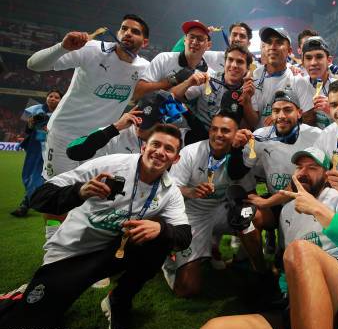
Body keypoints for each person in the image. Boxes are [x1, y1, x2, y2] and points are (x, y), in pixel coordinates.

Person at [0, 124, 191, 329]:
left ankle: (118, 300)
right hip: (72, 253)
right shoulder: (110, 165)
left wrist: (160, 228)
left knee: (161, 237)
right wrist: (79, 192)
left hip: (113, 252)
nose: (160, 152)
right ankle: (22, 295)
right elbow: (39, 197)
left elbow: (184, 235)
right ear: (144, 147)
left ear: (176, 158)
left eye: (168, 149)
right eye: (156, 144)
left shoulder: (170, 191)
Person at [195, 148, 338, 329]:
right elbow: (288, 270)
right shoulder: (287, 211)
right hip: (299, 304)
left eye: (312, 167)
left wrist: (317, 208)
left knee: (300, 251)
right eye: (299, 167)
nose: (303, 172)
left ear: (326, 174)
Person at [25, 14, 150, 179]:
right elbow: (33, 64)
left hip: (100, 139)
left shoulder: (145, 69)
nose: (127, 33)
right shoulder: (92, 49)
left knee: (90, 194)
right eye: (123, 28)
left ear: (145, 42)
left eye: (135, 31)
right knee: (57, 189)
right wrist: (63, 47)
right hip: (64, 134)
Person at [162, 113, 261, 297]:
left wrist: (257, 212)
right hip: (193, 214)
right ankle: (170, 263)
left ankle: (258, 270)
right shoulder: (190, 152)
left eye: (225, 130)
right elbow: (169, 189)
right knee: (188, 289)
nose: (218, 134)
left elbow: (247, 192)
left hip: (221, 209)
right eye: (214, 129)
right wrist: (190, 192)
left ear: (236, 134)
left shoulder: (240, 154)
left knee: (255, 216)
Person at [232, 88, 322, 257]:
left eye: (287, 110)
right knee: (250, 217)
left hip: (306, 201)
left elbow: (303, 182)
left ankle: (281, 245)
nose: (281, 116)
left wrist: (268, 202)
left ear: (300, 113)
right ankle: (259, 269)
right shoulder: (260, 136)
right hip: (277, 203)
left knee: (294, 254)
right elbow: (238, 172)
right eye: (276, 111)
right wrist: (236, 148)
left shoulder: (316, 136)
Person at [171, 43, 256, 135]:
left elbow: (253, 124)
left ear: (247, 67)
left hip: (226, 139)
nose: (234, 65)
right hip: (198, 133)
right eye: (230, 60)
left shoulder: (250, 89)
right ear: (225, 62)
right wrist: (188, 83)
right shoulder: (207, 78)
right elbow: (174, 95)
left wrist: (247, 101)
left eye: (240, 62)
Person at [245, 27, 315, 129]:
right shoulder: (254, 77)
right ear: (264, 48)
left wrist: (284, 120)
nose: (273, 47)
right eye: (269, 42)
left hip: (290, 142)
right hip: (261, 142)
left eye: (279, 42)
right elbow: (253, 122)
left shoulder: (298, 79)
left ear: (289, 51)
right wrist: (246, 101)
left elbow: (309, 120)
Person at [11, 89, 62, 217]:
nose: (53, 98)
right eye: (51, 96)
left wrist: (50, 129)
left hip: (54, 148)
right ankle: (34, 201)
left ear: (61, 100)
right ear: (46, 98)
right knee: (29, 175)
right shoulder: (36, 109)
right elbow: (27, 130)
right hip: (36, 147)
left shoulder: (64, 112)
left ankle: (25, 205)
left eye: (57, 97)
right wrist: (31, 123)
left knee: (41, 177)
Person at [134, 20, 212, 100]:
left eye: (200, 39)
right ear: (185, 40)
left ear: (208, 45)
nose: (195, 42)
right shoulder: (164, 58)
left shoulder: (208, 75)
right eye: (191, 37)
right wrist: (174, 80)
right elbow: (138, 92)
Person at [300, 36, 338, 128]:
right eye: (308, 58)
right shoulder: (297, 86)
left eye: (319, 57)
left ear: (329, 61)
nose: (313, 63)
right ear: (303, 63)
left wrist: (331, 110)